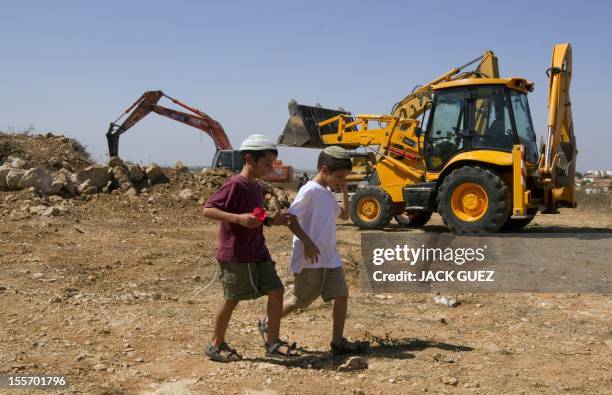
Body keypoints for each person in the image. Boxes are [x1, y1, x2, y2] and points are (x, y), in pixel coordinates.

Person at [202, 134, 317, 362]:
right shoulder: (235, 184)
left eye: (273, 164)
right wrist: (238, 218)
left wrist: (273, 219)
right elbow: (208, 210)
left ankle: (272, 342)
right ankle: (215, 344)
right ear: (248, 159)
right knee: (231, 299)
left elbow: (258, 216)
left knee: (277, 292)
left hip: (258, 252)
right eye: (266, 164)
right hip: (235, 254)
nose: (270, 169)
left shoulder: (258, 187)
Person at [258, 146, 369, 355]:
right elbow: (291, 219)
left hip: (330, 257)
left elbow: (344, 215)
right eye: (339, 177)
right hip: (310, 258)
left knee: (341, 296)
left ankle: (338, 341)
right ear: (324, 169)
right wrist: (307, 242)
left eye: (344, 177)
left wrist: (344, 189)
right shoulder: (309, 190)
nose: (340, 180)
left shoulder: (327, 192)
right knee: (301, 300)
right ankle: (266, 322)